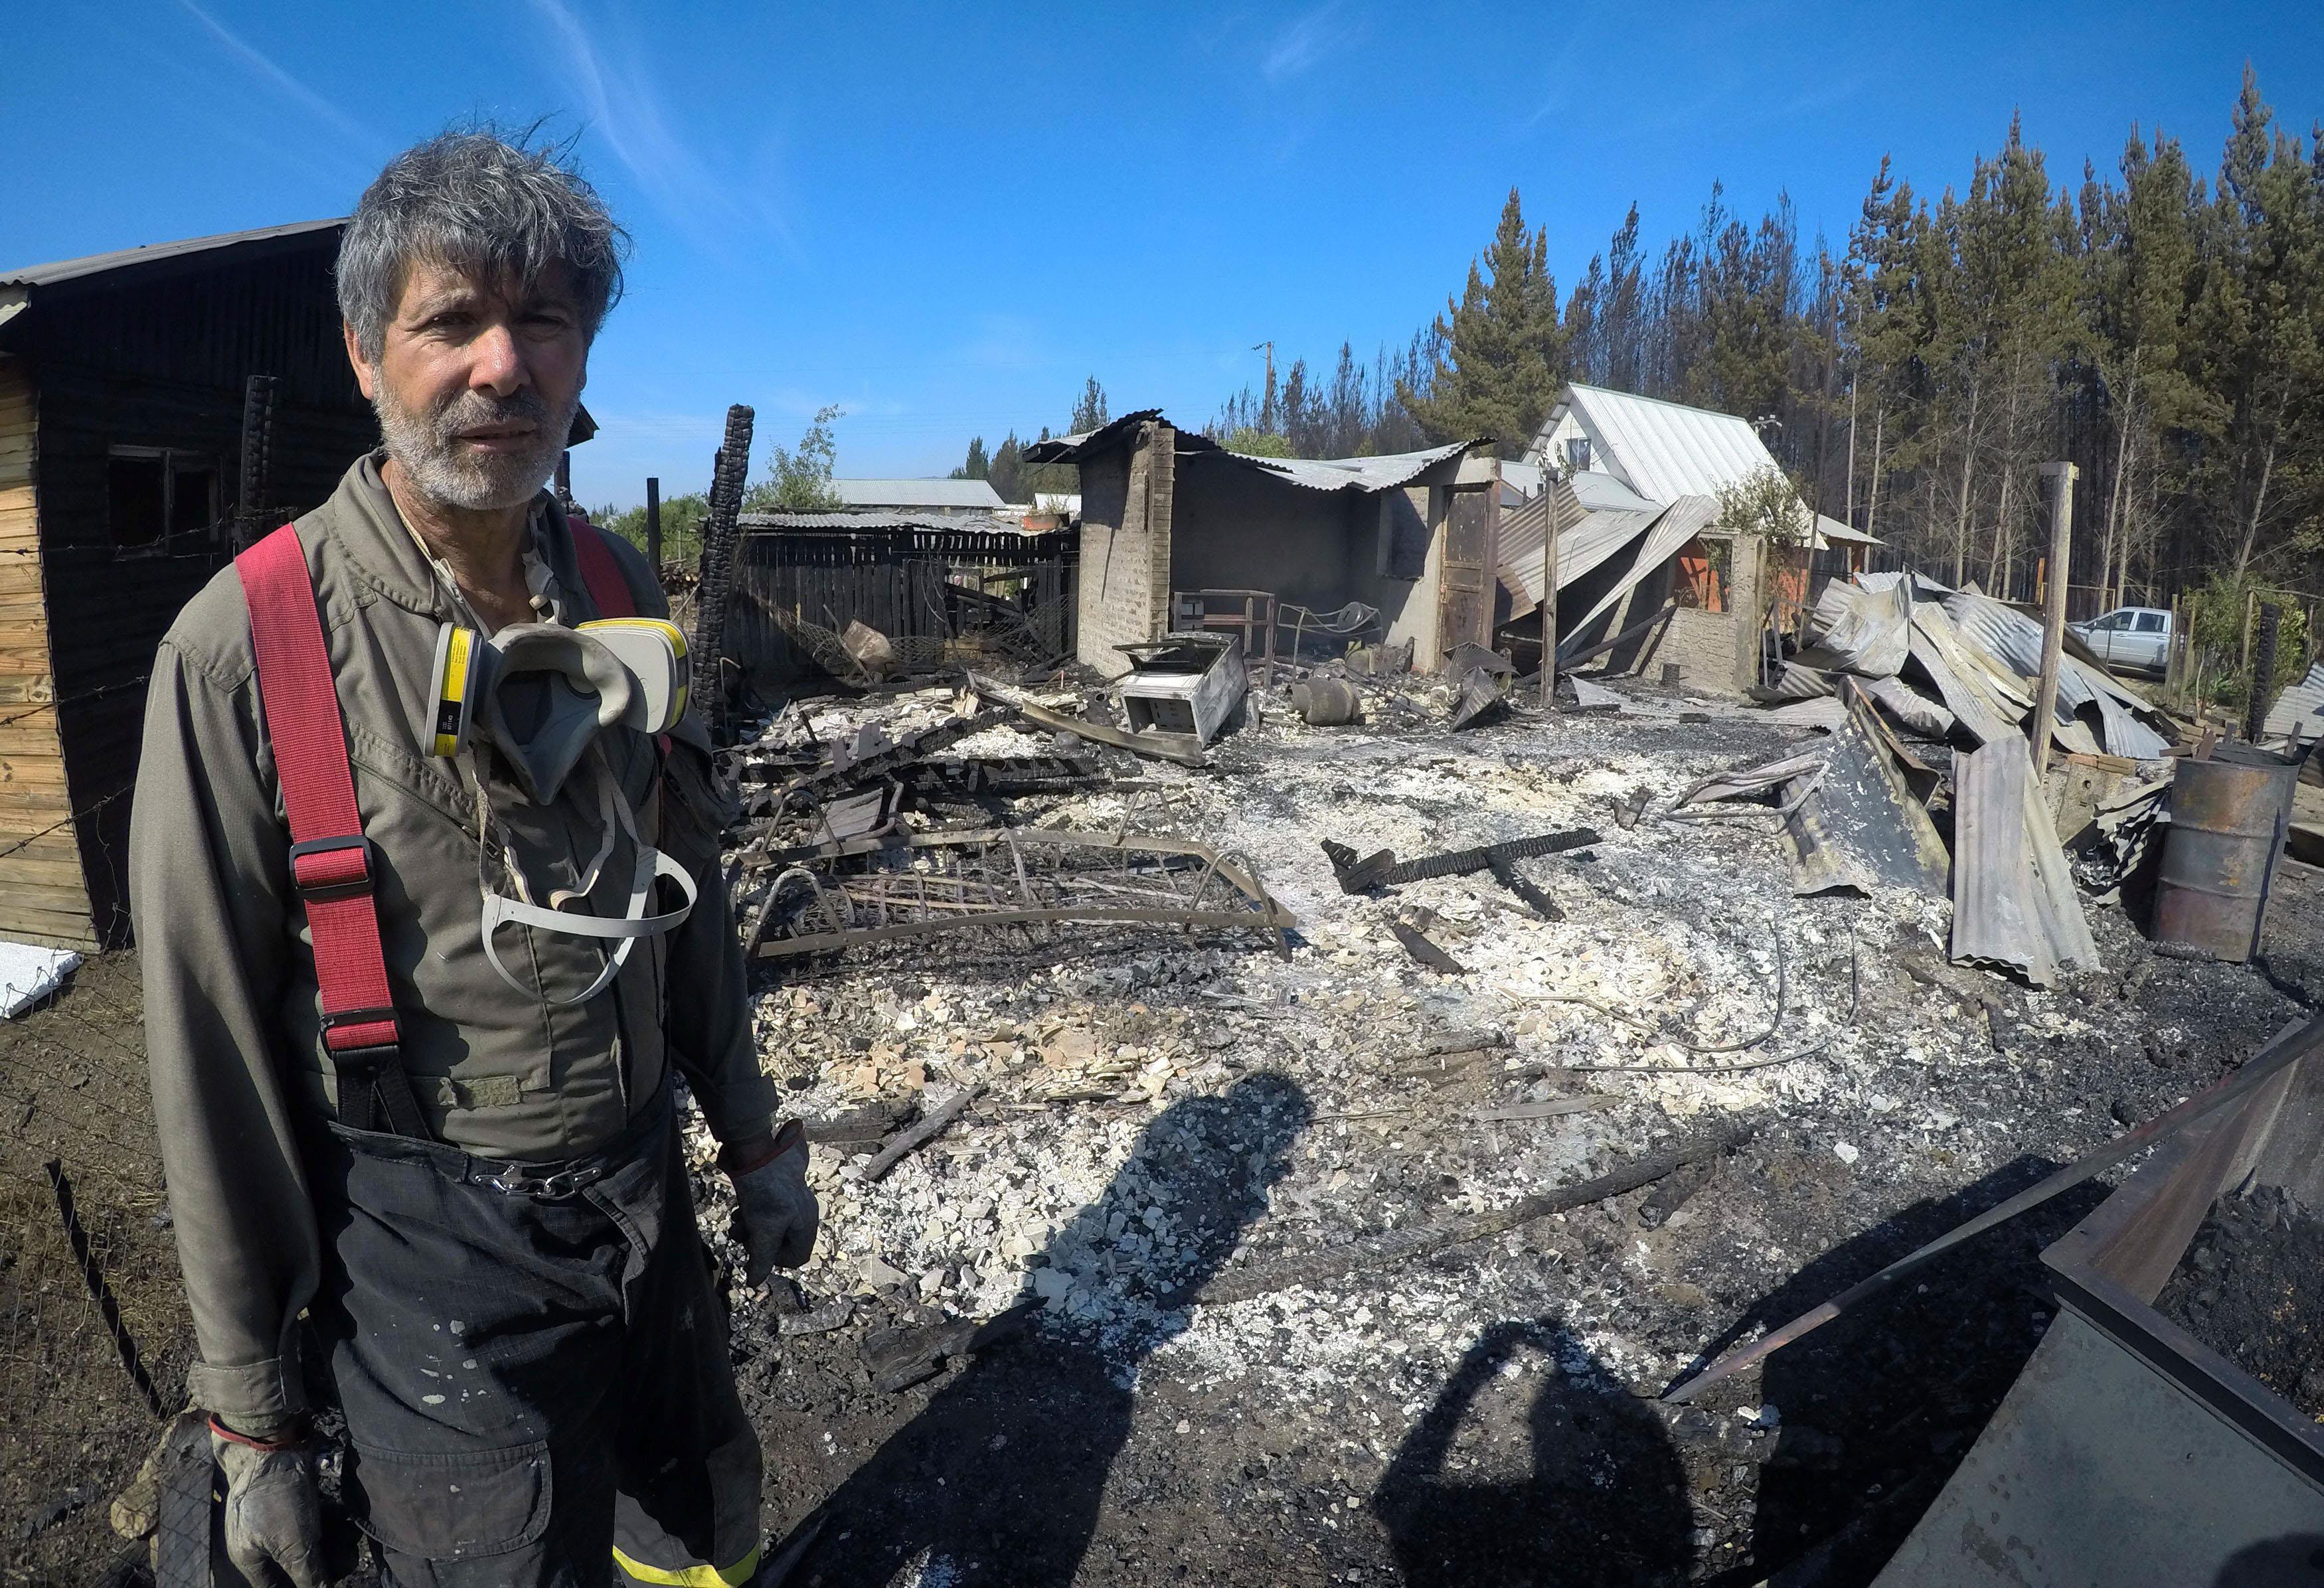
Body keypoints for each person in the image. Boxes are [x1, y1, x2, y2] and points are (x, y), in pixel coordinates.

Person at [129, 130, 815, 1587]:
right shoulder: (250, 651)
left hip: (648, 1204)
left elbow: (686, 908)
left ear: (581, 355)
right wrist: (251, 1419)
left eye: (545, 319)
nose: (502, 365)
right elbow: (209, 1062)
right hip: (429, 1264)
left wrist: (753, 1138)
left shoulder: (625, 590)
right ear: (366, 353)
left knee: (698, 1531)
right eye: (451, 319)